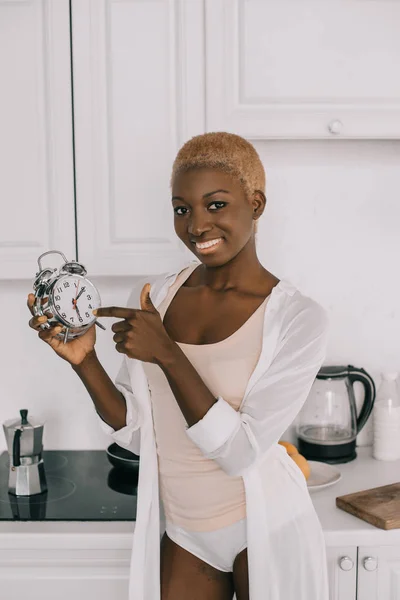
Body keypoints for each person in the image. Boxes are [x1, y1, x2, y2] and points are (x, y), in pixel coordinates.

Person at [27, 132, 330, 600]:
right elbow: (137, 432)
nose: (196, 226)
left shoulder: (298, 317)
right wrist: (85, 361)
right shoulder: (156, 299)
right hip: (186, 530)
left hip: (266, 524)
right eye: (182, 209)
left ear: (256, 203)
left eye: (215, 205)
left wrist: (168, 353)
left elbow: (239, 452)